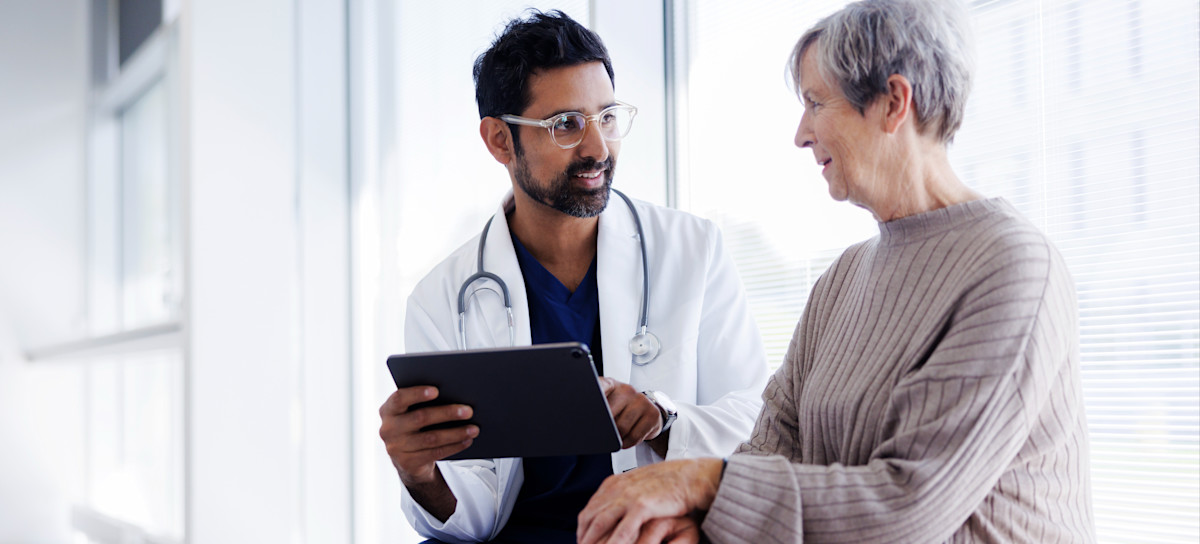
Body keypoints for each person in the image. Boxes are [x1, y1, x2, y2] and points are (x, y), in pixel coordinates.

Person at [576, 1, 1097, 542]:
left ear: (894, 103)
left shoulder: (1011, 268)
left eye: (815, 102)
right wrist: (693, 527)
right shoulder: (844, 278)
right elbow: (770, 452)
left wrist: (699, 480)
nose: (801, 134)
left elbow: (908, 503)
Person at [377, 10, 769, 544]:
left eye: (606, 116)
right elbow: (472, 518)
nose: (598, 148)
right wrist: (419, 473)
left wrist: (664, 419)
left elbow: (756, 424)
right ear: (498, 140)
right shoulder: (440, 299)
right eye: (565, 124)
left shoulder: (693, 250)